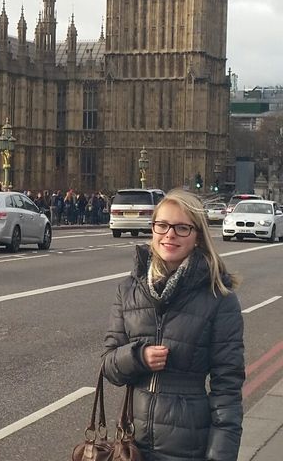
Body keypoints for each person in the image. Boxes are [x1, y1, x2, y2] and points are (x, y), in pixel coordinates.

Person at [101, 189, 244, 460]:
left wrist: (221, 455)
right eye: (162, 225)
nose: (169, 235)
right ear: (153, 228)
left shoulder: (218, 298)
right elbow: (109, 366)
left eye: (181, 228)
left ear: (198, 236)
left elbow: (228, 388)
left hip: (188, 447)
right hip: (132, 445)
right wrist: (138, 356)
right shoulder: (129, 289)